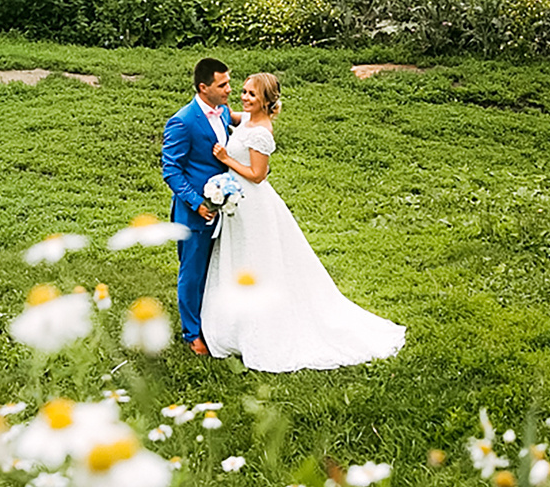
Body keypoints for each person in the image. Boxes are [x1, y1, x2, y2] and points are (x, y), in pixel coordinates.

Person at [201, 73, 405, 372]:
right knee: (239, 258)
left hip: (253, 201)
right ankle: (234, 324)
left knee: (258, 261)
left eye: (251, 95)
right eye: (243, 92)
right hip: (239, 203)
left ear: (266, 102)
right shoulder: (247, 118)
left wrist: (225, 158)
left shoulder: (262, 132)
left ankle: (263, 326)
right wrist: (212, 106)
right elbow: (228, 115)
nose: (244, 98)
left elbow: (258, 174)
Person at [160, 57, 234, 355]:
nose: (230, 89)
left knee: (216, 268)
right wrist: (196, 202)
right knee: (191, 273)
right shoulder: (183, 121)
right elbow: (171, 169)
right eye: (223, 85)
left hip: (225, 206)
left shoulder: (224, 112)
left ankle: (213, 322)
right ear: (204, 88)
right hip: (195, 213)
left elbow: (232, 120)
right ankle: (192, 334)